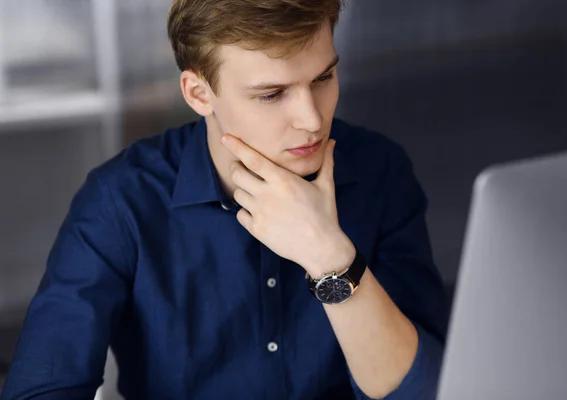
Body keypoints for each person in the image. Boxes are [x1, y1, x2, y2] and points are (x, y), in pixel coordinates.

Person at [1, 1, 448, 399]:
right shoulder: (121, 201)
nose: (312, 119)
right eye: (272, 94)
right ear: (199, 94)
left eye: (323, 77)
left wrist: (328, 255)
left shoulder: (380, 171)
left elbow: (425, 390)